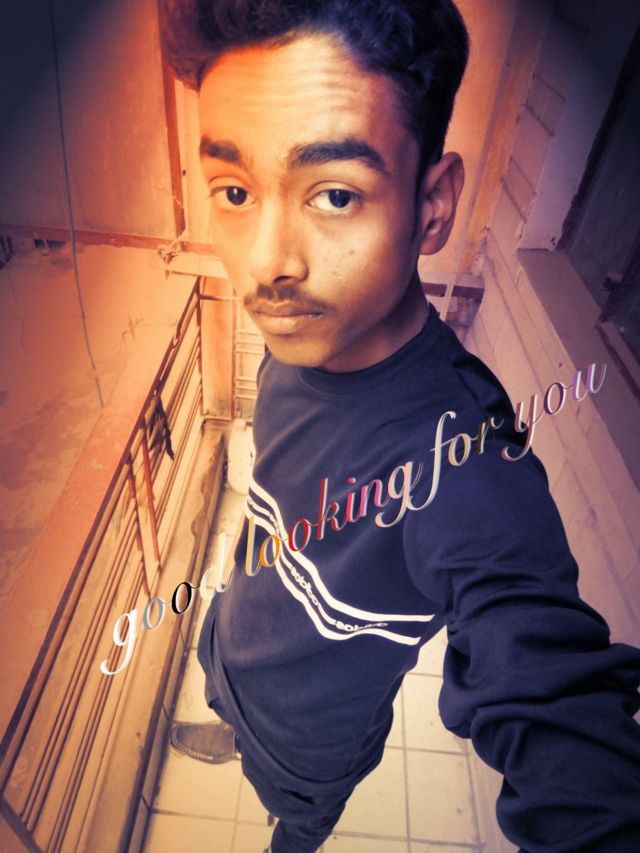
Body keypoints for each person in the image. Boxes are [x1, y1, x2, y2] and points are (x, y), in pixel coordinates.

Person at [159, 1, 640, 851]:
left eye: (334, 194)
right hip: (229, 652)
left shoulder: (466, 464)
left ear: (432, 204)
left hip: (312, 754)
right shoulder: (299, 343)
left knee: (291, 828)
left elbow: (552, 697)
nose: (267, 264)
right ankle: (227, 723)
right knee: (228, 698)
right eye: (235, 191)